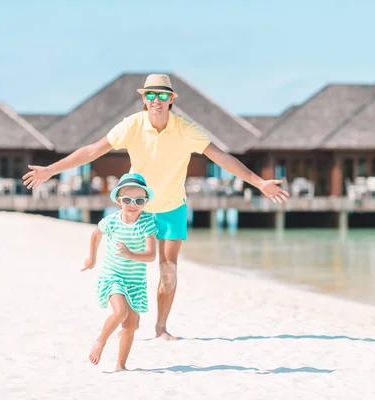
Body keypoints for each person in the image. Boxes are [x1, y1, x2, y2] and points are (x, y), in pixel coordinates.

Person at [23, 74, 290, 340]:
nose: (156, 100)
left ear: (171, 99)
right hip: (139, 208)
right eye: (150, 95)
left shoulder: (186, 129)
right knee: (129, 265)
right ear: (143, 98)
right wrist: (50, 170)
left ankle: (161, 328)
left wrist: (259, 182)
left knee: (168, 268)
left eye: (163, 95)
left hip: (173, 208)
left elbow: (221, 158)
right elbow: (92, 151)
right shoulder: (132, 125)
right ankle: (129, 320)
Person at [82, 173, 158, 369]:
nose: (133, 204)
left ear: (145, 201)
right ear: (118, 200)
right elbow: (95, 235)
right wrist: (92, 258)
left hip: (135, 281)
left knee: (130, 326)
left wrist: (131, 254)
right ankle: (101, 341)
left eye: (139, 200)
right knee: (121, 312)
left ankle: (120, 365)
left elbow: (151, 255)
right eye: (127, 200)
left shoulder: (147, 222)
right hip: (112, 276)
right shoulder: (112, 221)